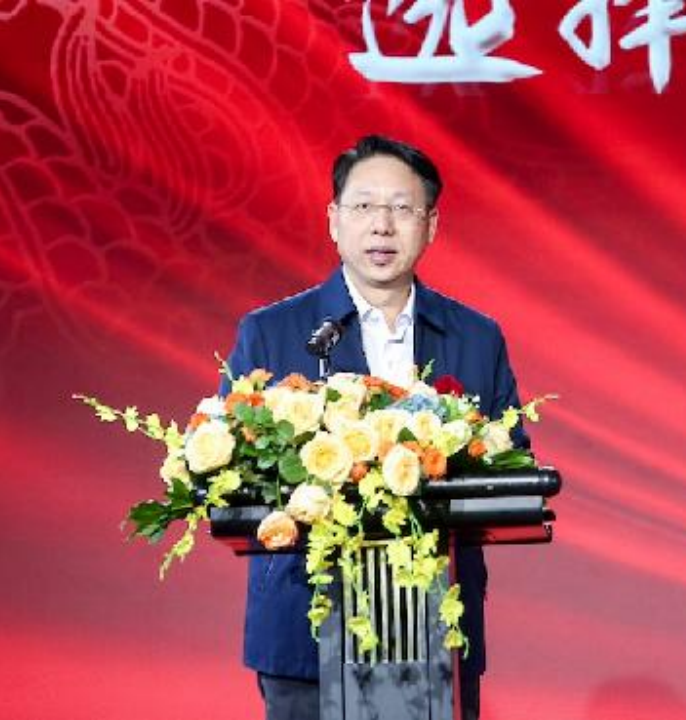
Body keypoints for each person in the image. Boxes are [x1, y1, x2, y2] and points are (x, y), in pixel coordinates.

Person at [221, 134, 525, 720]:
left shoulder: (476, 337)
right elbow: (233, 480)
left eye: (402, 208)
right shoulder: (272, 333)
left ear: (430, 225)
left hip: (436, 626)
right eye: (363, 206)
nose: (382, 225)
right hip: (304, 629)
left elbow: (510, 465)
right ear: (334, 221)